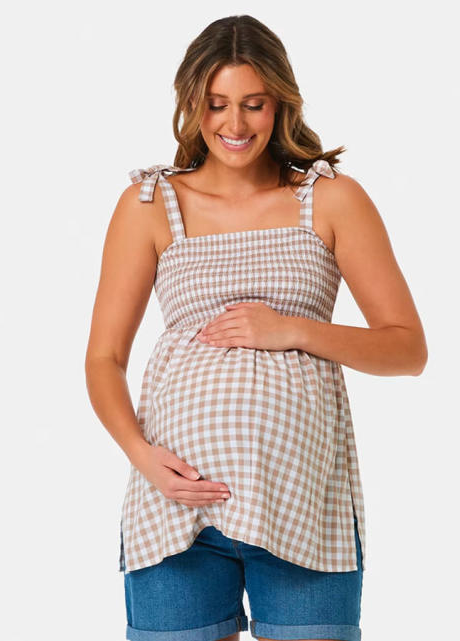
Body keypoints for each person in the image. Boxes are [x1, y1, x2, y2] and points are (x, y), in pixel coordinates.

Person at [84, 15, 425, 641]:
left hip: (304, 502)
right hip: (175, 507)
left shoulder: (331, 198)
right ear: (191, 103)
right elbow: (103, 358)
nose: (234, 126)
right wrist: (143, 458)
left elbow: (407, 348)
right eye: (215, 105)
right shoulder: (148, 205)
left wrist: (290, 329)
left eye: (253, 104)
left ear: (280, 103)